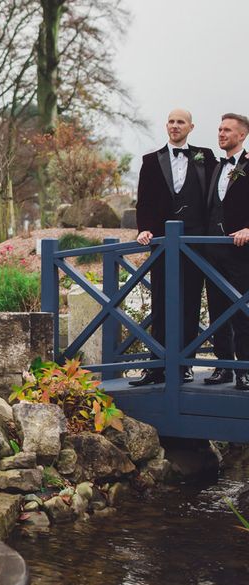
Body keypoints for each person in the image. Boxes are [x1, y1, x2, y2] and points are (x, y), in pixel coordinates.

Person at [130, 109, 217, 386]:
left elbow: (226, 181)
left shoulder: (206, 157)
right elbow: (143, 200)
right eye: (171, 121)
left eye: (181, 122)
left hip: (195, 242)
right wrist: (144, 229)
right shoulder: (150, 160)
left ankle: (185, 365)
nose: (175, 126)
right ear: (166, 125)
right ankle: (156, 367)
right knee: (161, 302)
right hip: (163, 242)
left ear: (191, 126)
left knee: (191, 302)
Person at [203, 113, 249, 390]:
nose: (221, 133)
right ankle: (223, 366)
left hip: (241, 252)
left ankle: (244, 368)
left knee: (241, 308)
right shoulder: (216, 167)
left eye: (227, 130)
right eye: (219, 129)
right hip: (213, 251)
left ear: (242, 135)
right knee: (216, 307)